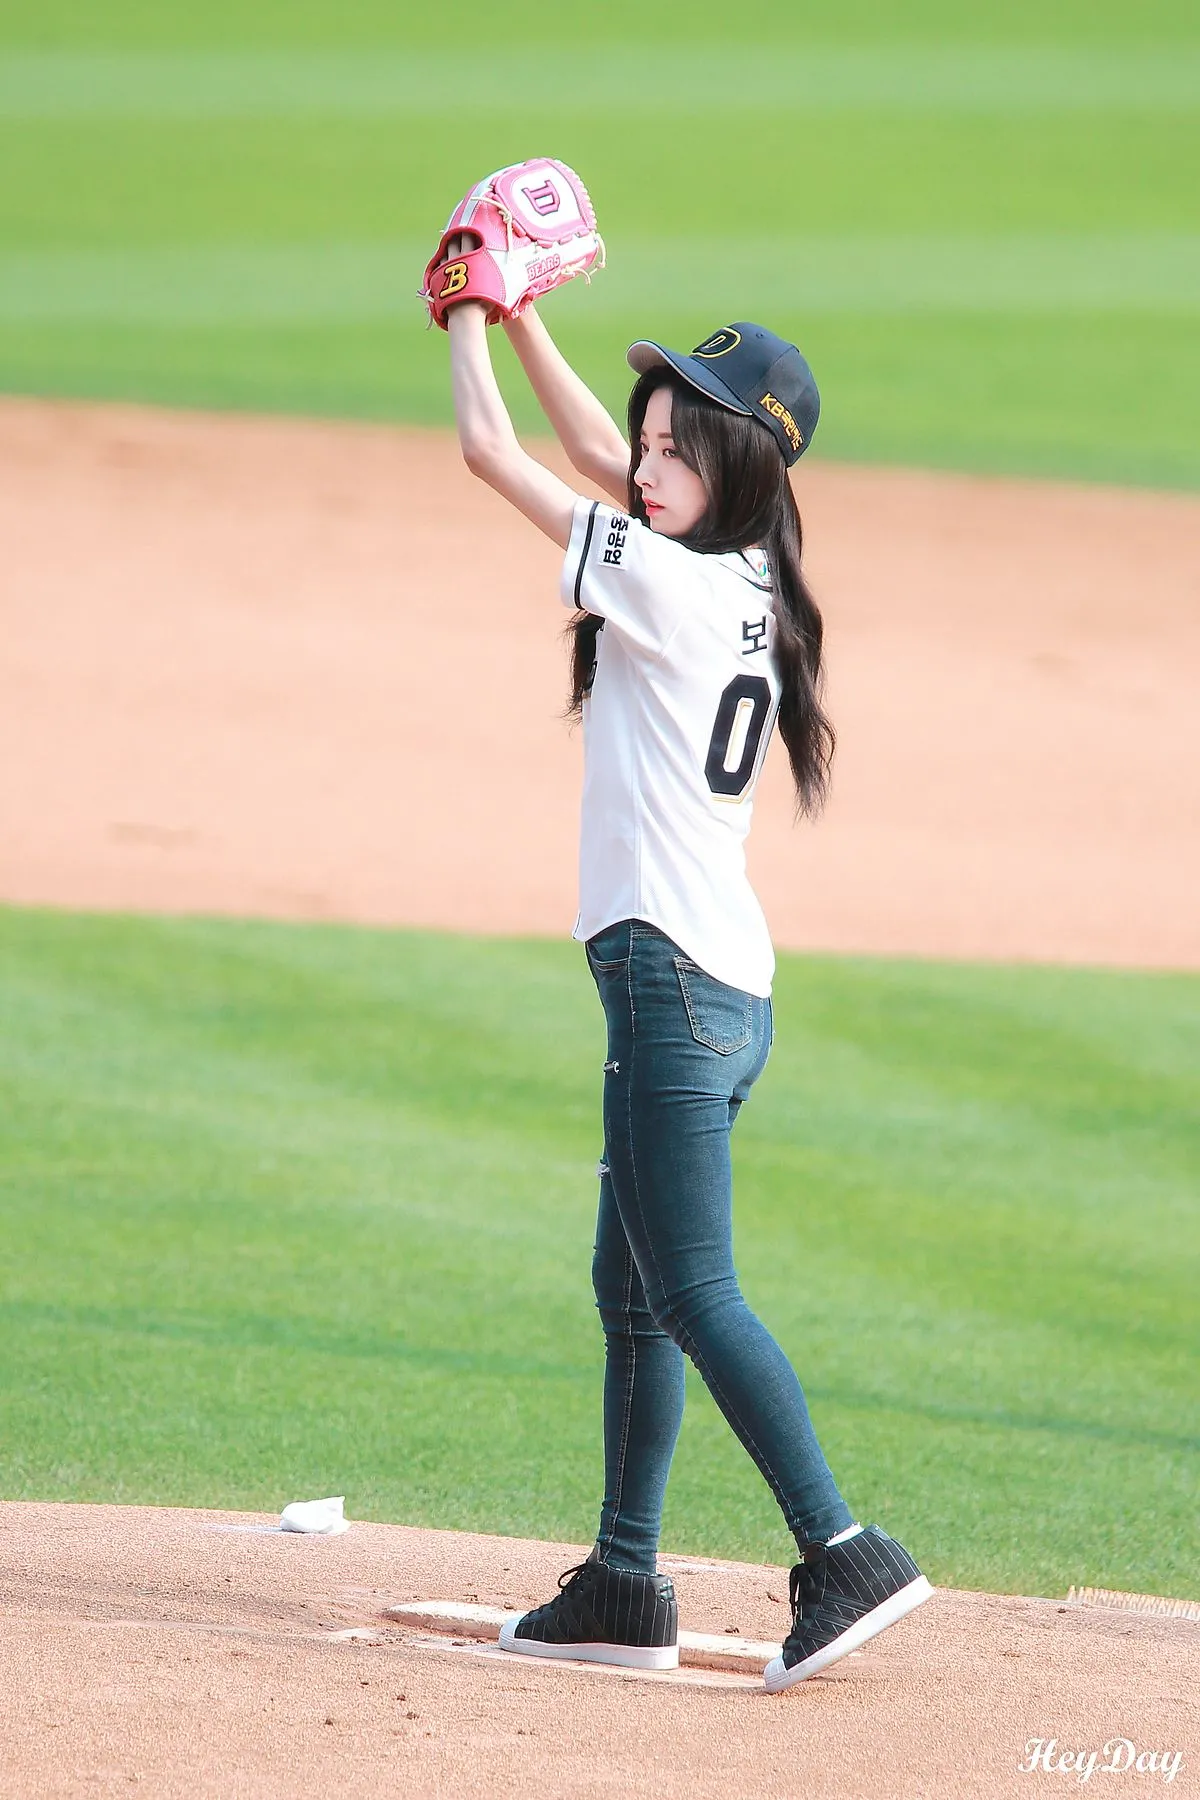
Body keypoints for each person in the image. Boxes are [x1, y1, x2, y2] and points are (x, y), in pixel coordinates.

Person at [437, 268, 932, 1691]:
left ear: (736, 469)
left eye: (678, 443)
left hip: (667, 984)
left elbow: (494, 456)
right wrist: (528, 313)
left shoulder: (658, 576)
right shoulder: (748, 572)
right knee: (636, 1282)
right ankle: (622, 1581)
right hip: (730, 993)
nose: (647, 458)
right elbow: (602, 462)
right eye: (653, 432)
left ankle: (842, 1551)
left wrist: (462, 311)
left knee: (696, 1290)